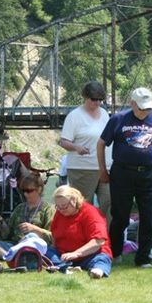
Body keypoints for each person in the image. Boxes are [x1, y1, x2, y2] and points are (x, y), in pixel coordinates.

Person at [97, 87, 152, 267]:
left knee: (147, 217)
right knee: (120, 216)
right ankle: (115, 252)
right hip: (122, 173)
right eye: (141, 108)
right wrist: (102, 169)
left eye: (147, 108)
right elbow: (101, 143)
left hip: (148, 174)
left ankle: (143, 258)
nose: (145, 112)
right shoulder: (118, 119)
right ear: (132, 103)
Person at [59, 81, 112, 223]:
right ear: (85, 97)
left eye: (100, 99)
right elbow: (63, 141)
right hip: (82, 168)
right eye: (94, 99)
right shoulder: (74, 116)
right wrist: (77, 147)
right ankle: (83, 239)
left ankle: (105, 238)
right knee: (83, 206)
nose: (97, 103)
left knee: (109, 203)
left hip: (105, 167)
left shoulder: (105, 114)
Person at [0, 174, 55, 260]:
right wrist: (0, 224)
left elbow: (52, 237)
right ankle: (10, 256)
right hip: (14, 244)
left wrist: (35, 229)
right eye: (23, 191)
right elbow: (8, 234)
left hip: (34, 245)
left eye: (29, 191)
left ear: (39, 190)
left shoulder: (48, 209)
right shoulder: (20, 208)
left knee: (32, 236)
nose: (25, 194)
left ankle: (11, 256)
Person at [50, 186, 112, 278]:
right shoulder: (60, 213)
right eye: (58, 207)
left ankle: (98, 270)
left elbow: (99, 241)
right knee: (45, 250)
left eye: (64, 206)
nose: (61, 210)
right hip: (64, 255)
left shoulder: (91, 213)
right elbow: (55, 236)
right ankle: (64, 266)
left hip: (90, 255)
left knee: (101, 259)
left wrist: (76, 253)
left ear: (74, 200)